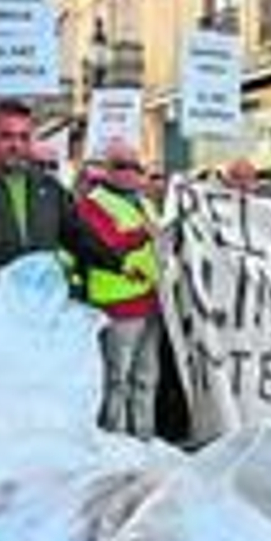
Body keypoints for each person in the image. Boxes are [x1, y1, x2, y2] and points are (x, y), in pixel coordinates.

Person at [0, 98, 119, 301]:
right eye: (7, 136)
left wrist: (118, 263)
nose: (16, 145)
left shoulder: (46, 185)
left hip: (39, 301)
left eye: (24, 137)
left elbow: (77, 234)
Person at [77, 139, 164, 438]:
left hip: (151, 300)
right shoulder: (92, 203)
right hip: (117, 305)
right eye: (121, 166)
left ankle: (144, 440)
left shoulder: (146, 202)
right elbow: (103, 245)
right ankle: (114, 445)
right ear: (106, 169)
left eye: (136, 166)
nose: (130, 173)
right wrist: (142, 234)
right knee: (117, 380)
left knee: (147, 377)